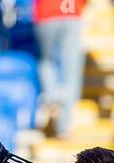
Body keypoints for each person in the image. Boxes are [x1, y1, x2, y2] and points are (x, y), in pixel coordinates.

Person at [34, 0, 86, 138]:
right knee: (70, 71)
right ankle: (63, 126)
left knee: (46, 61)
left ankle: (50, 98)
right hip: (71, 13)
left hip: (46, 14)